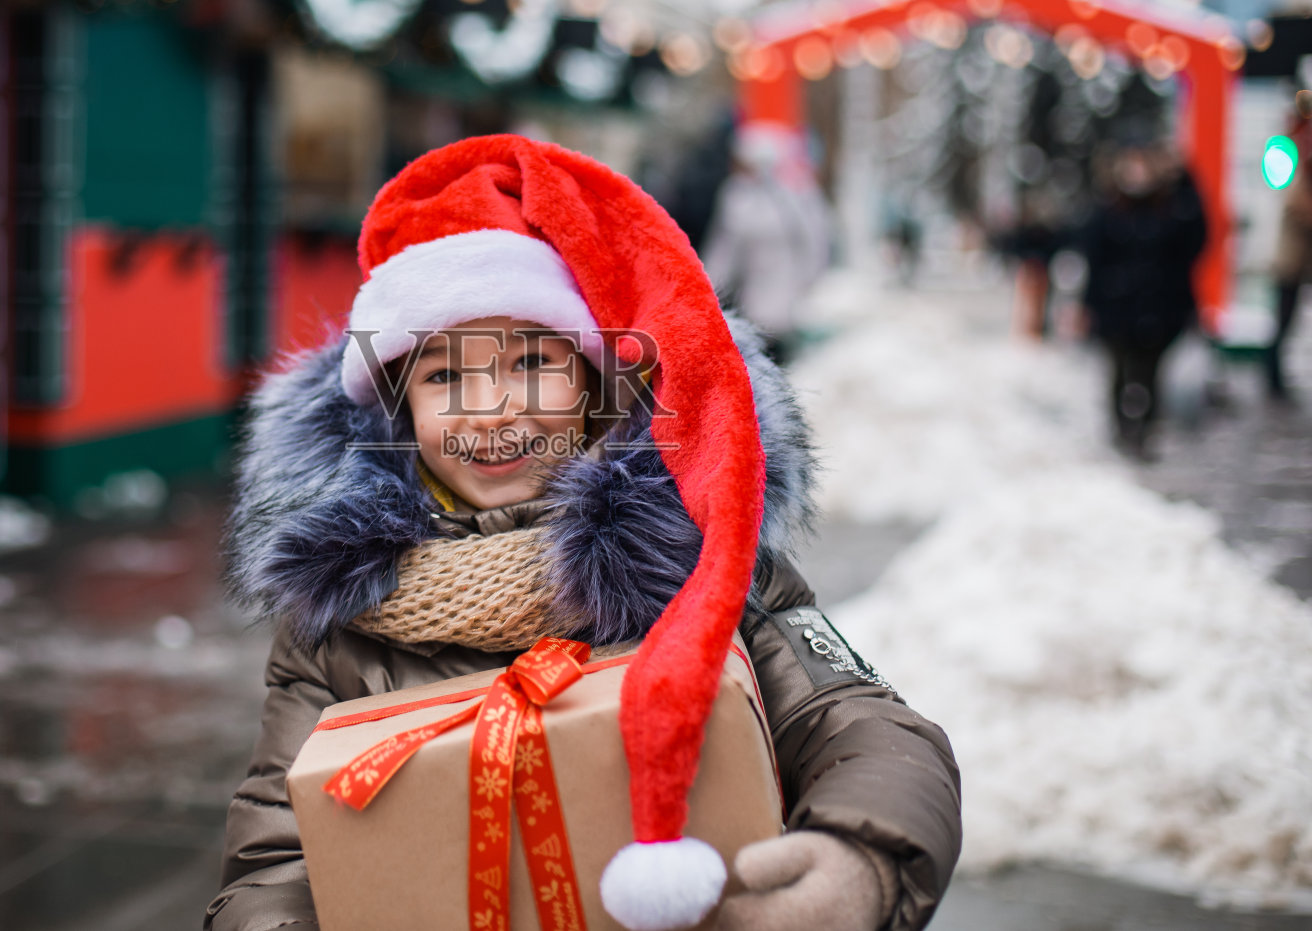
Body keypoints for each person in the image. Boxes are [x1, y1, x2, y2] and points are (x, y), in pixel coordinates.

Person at [210, 135, 961, 931]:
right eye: (445, 375)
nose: (494, 409)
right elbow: (273, 855)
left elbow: (865, 726)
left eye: (533, 362)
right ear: (398, 408)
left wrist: (858, 863)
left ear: (596, 385)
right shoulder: (335, 622)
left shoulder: (703, 554)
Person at [1080, 142, 1209, 459]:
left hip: (1160, 309)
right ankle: (1121, 429)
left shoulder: (1170, 207)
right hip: (1117, 309)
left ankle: (1145, 432)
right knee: (1119, 373)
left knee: (1150, 376)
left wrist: (1185, 178)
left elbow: (1198, 238)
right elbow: (1094, 262)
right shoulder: (1109, 210)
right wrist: (1089, 305)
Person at [701, 127, 833, 363]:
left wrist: (707, 290)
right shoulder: (778, 196)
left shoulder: (760, 197)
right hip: (765, 302)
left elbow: (723, 252)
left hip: (772, 303)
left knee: (768, 363)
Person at [1267, 114, 1312, 401]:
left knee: (1285, 322)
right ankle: (1273, 378)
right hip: (1291, 265)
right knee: (1283, 322)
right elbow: (1299, 211)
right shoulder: (1294, 175)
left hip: (1297, 264)